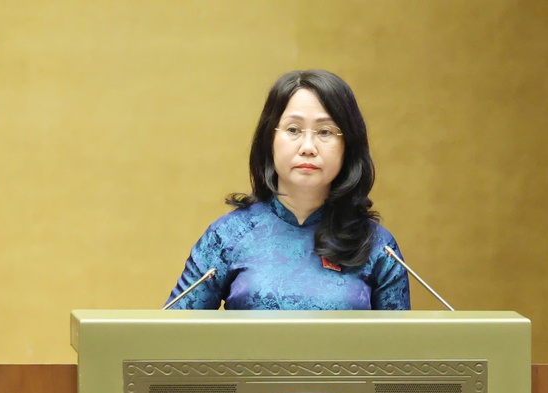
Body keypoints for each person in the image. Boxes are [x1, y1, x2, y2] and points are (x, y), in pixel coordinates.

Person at [165, 69, 410, 310]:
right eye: (293, 130)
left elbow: (401, 338)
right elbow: (172, 331)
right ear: (269, 139)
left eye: (325, 132)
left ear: (348, 145)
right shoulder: (228, 236)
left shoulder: (379, 246)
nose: (308, 147)